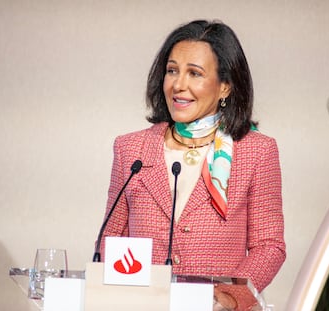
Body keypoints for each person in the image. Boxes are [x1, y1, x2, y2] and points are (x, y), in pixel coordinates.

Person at [99, 19, 286, 301]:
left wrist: (230, 297)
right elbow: (111, 238)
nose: (179, 85)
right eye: (172, 71)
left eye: (195, 73)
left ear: (225, 86)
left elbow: (268, 246)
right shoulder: (131, 149)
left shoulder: (256, 152)